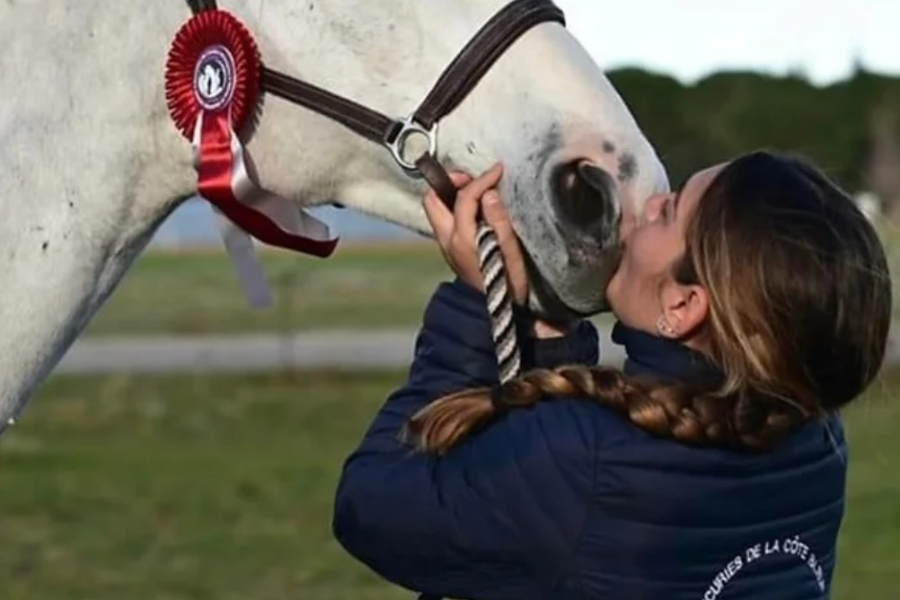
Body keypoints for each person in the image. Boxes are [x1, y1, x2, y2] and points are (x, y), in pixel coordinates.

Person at [331, 150, 892, 599]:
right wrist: (548, 340)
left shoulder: (581, 460)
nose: (648, 207)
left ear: (683, 305)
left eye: (669, 213)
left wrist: (478, 308)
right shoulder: (815, 447)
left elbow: (372, 506)